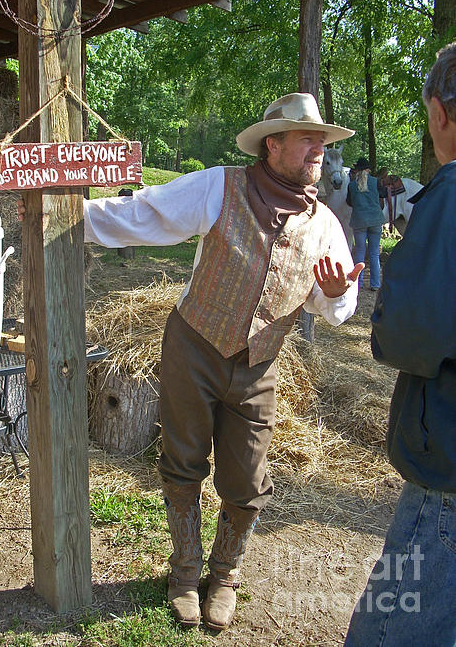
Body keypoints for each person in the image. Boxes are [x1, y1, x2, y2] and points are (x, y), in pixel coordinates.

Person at [19, 92, 363, 631]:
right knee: (182, 461)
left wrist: (336, 294)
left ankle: (224, 574)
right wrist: (69, 217)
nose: (318, 148)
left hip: (258, 366)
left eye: (321, 139)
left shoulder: (326, 226)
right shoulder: (218, 186)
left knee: (247, 482)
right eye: (306, 138)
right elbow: (145, 214)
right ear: (273, 145)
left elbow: (335, 308)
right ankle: (183, 574)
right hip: (194, 346)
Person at [344, 42, 456, 646]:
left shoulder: (449, 197)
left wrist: (383, 307)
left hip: (449, 484)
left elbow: (406, 335)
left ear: (438, 112)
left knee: (386, 633)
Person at [346, 157, 386, 291]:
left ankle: (358, 282)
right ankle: (375, 284)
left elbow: (349, 202)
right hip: (375, 221)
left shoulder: (352, 185)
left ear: (356, 170)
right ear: (368, 169)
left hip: (359, 221)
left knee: (360, 252)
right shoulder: (376, 182)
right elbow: (383, 195)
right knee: (374, 254)